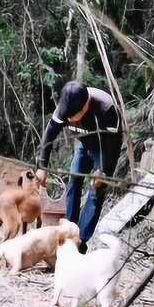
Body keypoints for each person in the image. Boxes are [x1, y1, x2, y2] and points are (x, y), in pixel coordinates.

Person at [36, 80, 123, 253]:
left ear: (85, 106)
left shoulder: (106, 109)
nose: (70, 121)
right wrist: (42, 166)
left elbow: (112, 146)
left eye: (73, 117)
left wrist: (104, 171)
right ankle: (68, 230)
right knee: (74, 180)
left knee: (96, 190)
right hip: (83, 143)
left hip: (104, 147)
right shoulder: (65, 106)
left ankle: (80, 241)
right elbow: (49, 135)